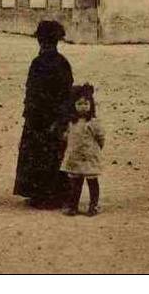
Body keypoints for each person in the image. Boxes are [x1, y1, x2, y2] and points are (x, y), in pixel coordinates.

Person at [14, 20, 73, 208]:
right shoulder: (63, 63)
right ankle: (53, 194)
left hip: (39, 117)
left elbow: (32, 92)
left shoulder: (38, 63)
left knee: (39, 153)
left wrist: (30, 114)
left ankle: (41, 194)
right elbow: (67, 93)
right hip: (52, 116)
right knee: (52, 154)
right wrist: (63, 118)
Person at [61, 84, 106, 216]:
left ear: (91, 105)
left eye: (86, 103)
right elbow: (67, 137)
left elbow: (101, 138)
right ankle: (73, 206)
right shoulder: (71, 122)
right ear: (73, 106)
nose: (83, 107)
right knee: (75, 183)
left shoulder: (92, 123)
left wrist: (96, 150)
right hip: (75, 158)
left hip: (89, 157)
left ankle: (93, 205)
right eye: (79, 104)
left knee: (92, 181)